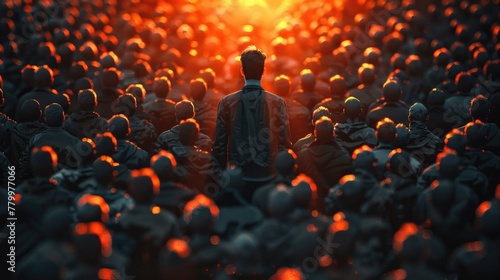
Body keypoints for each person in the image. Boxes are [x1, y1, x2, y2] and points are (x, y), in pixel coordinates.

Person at [212, 45, 291, 186]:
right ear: (263, 71)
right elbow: (284, 144)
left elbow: (219, 145)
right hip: (268, 175)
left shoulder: (226, 103)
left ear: (242, 71)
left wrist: (224, 177)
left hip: (237, 175)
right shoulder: (277, 103)